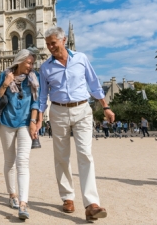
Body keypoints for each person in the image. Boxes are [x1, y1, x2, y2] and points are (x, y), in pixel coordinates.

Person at [38, 26, 115, 222]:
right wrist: (38, 118)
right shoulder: (45, 67)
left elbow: (94, 83)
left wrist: (105, 107)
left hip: (82, 109)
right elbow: (41, 96)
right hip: (58, 110)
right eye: (47, 45)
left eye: (52, 43)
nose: (50, 47)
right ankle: (67, 197)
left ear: (63, 40)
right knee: (62, 157)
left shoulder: (81, 59)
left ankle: (91, 204)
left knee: (85, 154)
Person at [0, 48, 40, 220]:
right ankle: (12, 194)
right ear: (19, 61)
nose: (31, 66)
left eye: (32, 63)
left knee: (23, 161)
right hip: (6, 123)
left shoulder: (34, 79)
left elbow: (36, 102)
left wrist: (34, 122)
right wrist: (6, 83)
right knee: (9, 160)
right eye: (29, 63)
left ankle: (23, 203)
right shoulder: (5, 74)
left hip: (25, 124)